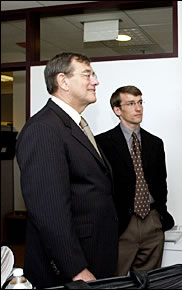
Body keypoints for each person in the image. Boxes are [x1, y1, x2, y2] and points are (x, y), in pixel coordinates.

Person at [15, 52, 119, 288]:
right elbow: (49, 210)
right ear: (63, 81)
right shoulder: (43, 129)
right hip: (71, 268)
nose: (95, 81)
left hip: (94, 253)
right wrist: (75, 269)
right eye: (87, 74)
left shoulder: (74, 124)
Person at [96, 85, 175, 275]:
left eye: (140, 102)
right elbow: (100, 187)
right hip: (122, 224)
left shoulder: (155, 143)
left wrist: (159, 216)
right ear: (117, 110)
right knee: (116, 280)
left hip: (152, 222)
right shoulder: (102, 143)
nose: (138, 108)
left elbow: (161, 183)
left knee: (149, 280)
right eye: (131, 103)